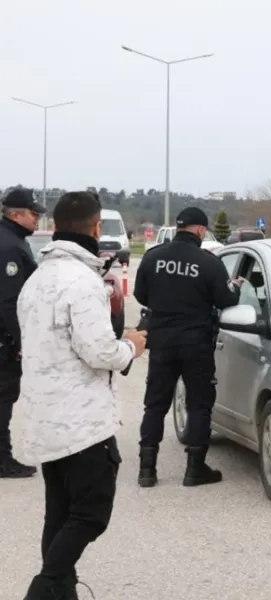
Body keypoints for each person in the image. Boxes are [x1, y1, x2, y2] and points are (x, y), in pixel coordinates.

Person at [18, 191, 147, 599]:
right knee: (91, 512)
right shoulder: (82, 282)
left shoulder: (37, 280)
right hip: (82, 423)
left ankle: (62, 589)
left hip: (46, 416)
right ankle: (47, 587)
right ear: (95, 228)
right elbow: (100, 352)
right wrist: (132, 345)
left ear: (54, 227)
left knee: (59, 514)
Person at [134, 207, 243, 489]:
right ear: (199, 230)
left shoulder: (152, 257)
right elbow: (225, 300)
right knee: (199, 405)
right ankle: (195, 470)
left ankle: (147, 470)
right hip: (196, 344)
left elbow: (140, 295)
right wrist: (237, 287)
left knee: (155, 405)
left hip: (162, 343)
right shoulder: (207, 263)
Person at [0, 187, 45, 479]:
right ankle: (3, 460)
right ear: (15, 214)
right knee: (3, 396)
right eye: (33, 214)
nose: (37, 219)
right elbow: (9, 299)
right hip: (4, 338)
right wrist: (19, 340)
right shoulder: (10, 247)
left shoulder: (13, 240)